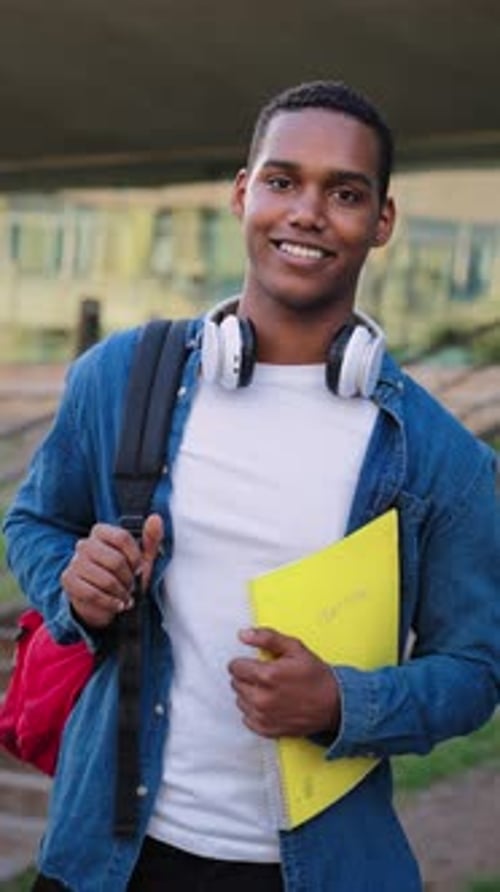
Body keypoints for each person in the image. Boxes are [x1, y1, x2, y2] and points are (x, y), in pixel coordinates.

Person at [4, 80, 500, 892]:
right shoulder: (119, 378)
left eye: (344, 193)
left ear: (382, 222)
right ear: (244, 194)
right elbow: (34, 520)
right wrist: (73, 580)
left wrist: (342, 704)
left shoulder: (441, 459)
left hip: (313, 871)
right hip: (111, 858)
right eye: (282, 181)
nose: (307, 212)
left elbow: (476, 672)